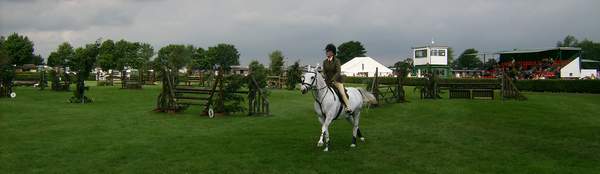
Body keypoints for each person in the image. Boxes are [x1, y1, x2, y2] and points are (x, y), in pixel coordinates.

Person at [322, 44, 352, 113]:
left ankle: (348, 107)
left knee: (342, 93)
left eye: (328, 51)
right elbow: (324, 72)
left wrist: (333, 80)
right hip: (327, 81)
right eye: (326, 51)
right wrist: (324, 77)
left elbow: (338, 72)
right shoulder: (324, 62)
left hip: (337, 81)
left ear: (332, 52)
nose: (326, 52)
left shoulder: (337, 61)